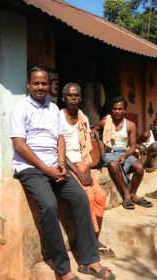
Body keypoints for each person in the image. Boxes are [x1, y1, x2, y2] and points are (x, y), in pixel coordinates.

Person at [10, 66, 115, 280]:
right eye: (36, 83)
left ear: (50, 87)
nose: (40, 87)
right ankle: (63, 269)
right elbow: (19, 145)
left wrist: (59, 163)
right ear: (28, 85)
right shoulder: (20, 108)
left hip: (55, 167)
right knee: (49, 206)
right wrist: (46, 168)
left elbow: (60, 139)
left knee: (80, 199)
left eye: (44, 83)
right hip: (31, 169)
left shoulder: (52, 109)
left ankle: (89, 260)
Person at [60, 82, 115, 258]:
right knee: (88, 197)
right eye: (70, 95)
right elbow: (58, 150)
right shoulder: (58, 118)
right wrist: (78, 172)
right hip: (69, 165)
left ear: (81, 98)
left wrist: (87, 168)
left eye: (77, 95)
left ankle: (94, 237)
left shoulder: (83, 117)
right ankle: (89, 242)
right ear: (63, 98)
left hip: (84, 164)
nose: (74, 98)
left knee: (101, 196)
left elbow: (86, 147)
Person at [92, 96, 153, 210]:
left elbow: (133, 145)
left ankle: (133, 194)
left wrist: (125, 155)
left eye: (120, 109)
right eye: (114, 109)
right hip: (109, 152)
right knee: (113, 164)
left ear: (125, 110)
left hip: (124, 152)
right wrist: (95, 136)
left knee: (139, 167)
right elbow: (93, 130)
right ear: (111, 109)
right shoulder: (105, 121)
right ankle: (126, 194)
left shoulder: (130, 125)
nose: (117, 112)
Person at [79, 59, 105, 127]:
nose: (90, 70)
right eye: (88, 67)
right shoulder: (79, 84)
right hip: (80, 118)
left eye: (92, 68)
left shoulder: (99, 86)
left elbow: (102, 103)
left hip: (94, 119)